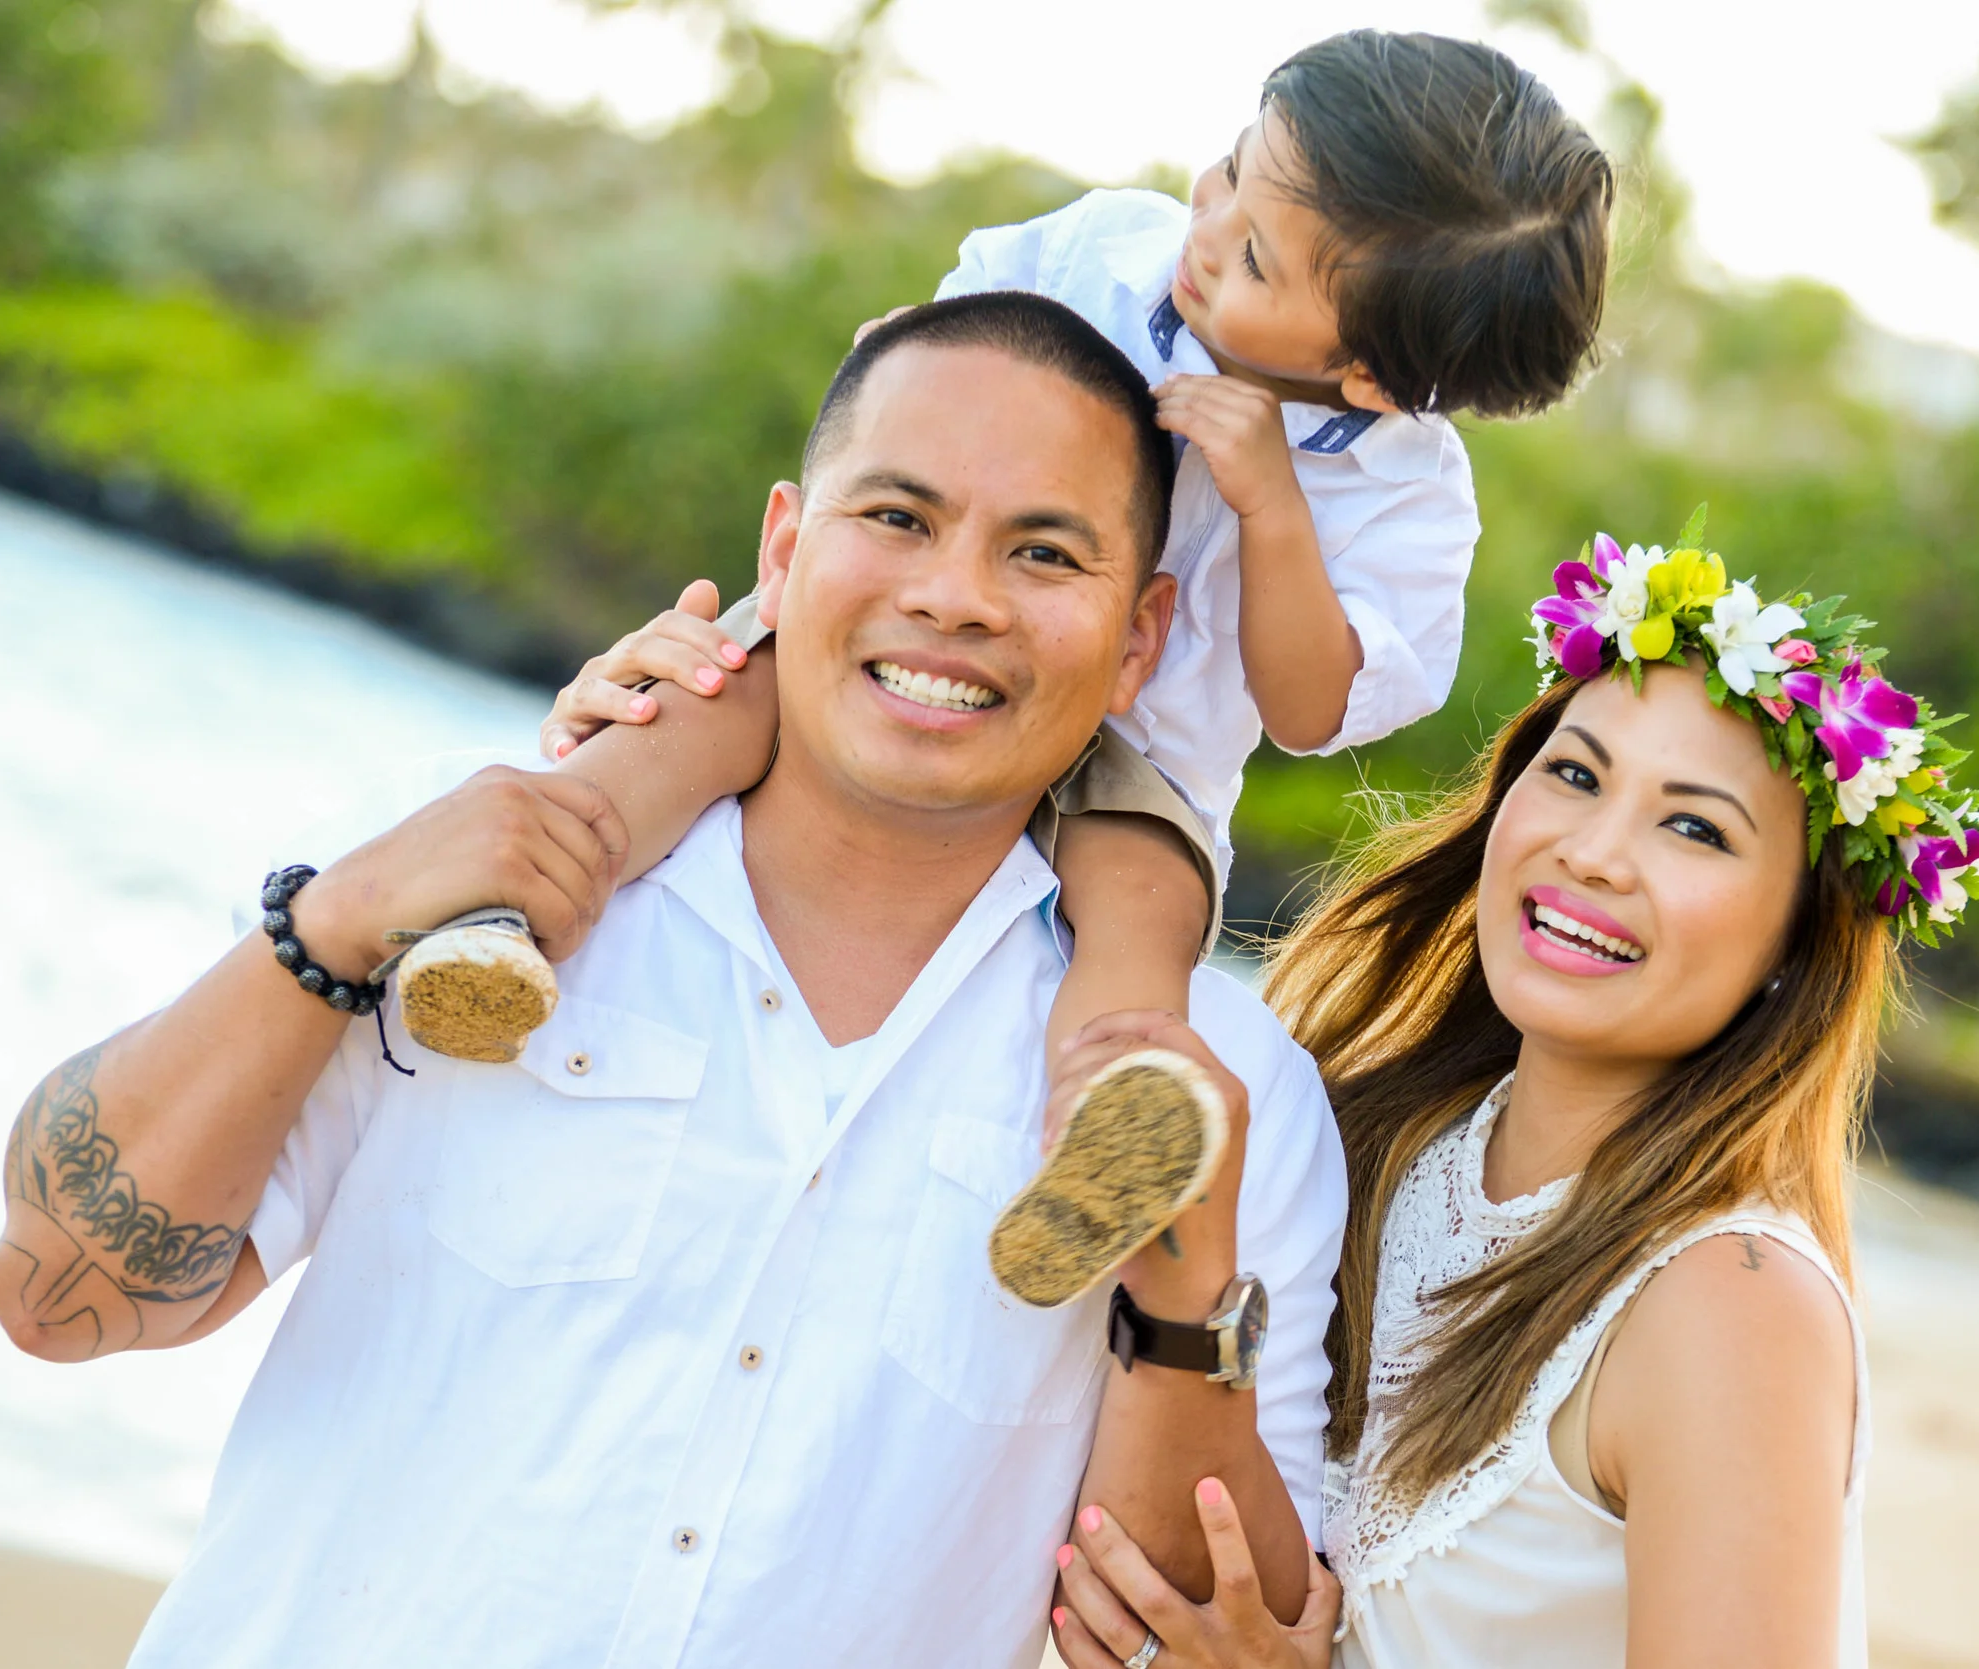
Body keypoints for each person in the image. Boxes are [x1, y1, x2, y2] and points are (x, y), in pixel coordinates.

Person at [0, 293, 1349, 1668]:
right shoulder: (465, 885)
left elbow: (1201, 1649)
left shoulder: (1223, 1093)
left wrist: (1181, 1297)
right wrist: (329, 927)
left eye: (1044, 551)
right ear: (782, 545)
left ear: (1138, 636)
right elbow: (57, 1295)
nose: (954, 596)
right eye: (896, 518)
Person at [444, 29, 1617, 1312]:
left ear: (1374, 377)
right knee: (706, 707)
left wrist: (1271, 502)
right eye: (1230, 169)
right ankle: (506, 916)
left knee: (1144, 908)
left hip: (1142, 756)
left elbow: (1312, 708)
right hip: (918, 647)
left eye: (1251, 256)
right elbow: (901, 380)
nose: (1205, 219)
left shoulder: (1404, 494)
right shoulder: (1097, 253)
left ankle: (1098, 1137)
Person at [1044, 523, 1979, 1667]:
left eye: (1693, 827)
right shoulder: (1373, 1140)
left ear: (1793, 944)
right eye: (1576, 774)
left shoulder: (1728, 1304)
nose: (1595, 852)